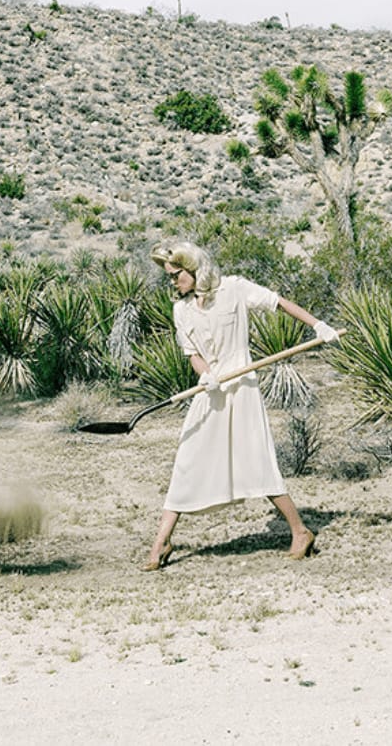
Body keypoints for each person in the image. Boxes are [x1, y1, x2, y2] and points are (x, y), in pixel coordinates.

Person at [143, 241, 338, 571]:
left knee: (257, 462)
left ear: (194, 269)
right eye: (169, 276)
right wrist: (205, 376)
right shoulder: (181, 310)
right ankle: (161, 542)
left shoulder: (234, 289)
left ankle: (300, 531)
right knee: (187, 461)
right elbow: (193, 353)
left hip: (243, 390)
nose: (172, 282)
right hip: (211, 391)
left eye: (176, 275)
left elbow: (278, 303)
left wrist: (317, 325)